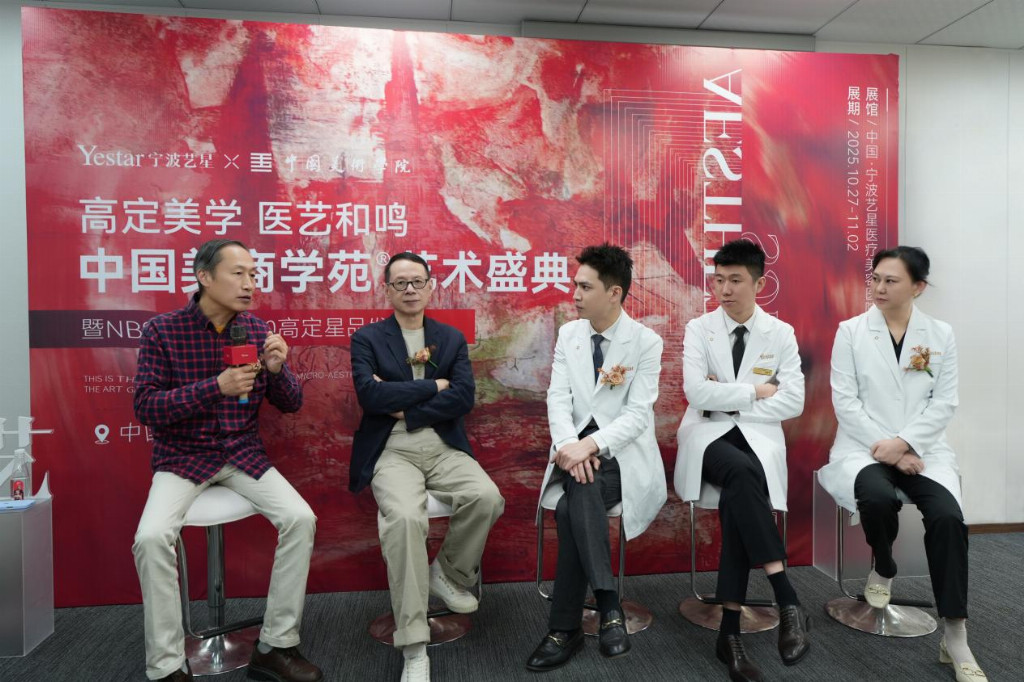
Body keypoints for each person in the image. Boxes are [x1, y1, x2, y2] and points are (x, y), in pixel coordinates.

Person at [132, 239, 322, 682]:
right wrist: (215, 387)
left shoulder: (255, 331)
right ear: (204, 277)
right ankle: (166, 667)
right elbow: (146, 406)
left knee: (301, 519)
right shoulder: (162, 331)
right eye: (238, 274)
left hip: (242, 454)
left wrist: (277, 370)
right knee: (151, 537)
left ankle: (275, 646)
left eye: (253, 275)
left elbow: (291, 403)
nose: (249, 284)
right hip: (182, 457)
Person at [819, 246, 984, 682]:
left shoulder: (940, 334)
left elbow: (944, 401)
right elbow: (845, 401)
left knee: (948, 518)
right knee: (875, 498)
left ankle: (956, 635)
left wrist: (906, 443)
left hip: (922, 449)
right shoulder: (851, 332)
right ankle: (884, 564)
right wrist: (887, 447)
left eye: (890, 281)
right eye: (875, 278)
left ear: (918, 287)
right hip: (864, 446)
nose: (878, 288)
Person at [349, 252, 504, 682]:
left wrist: (405, 404)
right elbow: (369, 397)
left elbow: (463, 397)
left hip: (441, 443)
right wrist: (433, 385)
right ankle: (415, 646)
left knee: (486, 497)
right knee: (403, 520)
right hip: (391, 447)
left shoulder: (450, 338)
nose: (410, 290)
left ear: (431, 285)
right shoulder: (367, 339)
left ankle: (449, 572)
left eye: (417, 281)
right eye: (400, 283)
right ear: (387, 290)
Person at [674, 238, 810, 682]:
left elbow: (793, 402)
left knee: (741, 489)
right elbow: (696, 393)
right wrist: (755, 391)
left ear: (759, 284)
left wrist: (727, 397)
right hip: (707, 434)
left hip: (757, 437)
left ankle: (729, 632)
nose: (725, 289)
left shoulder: (780, 333)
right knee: (739, 470)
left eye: (735, 280)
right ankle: (786, 596)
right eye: (718, 280)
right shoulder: (699, 329)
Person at [526, 243, 666, 673]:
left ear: (614, 292)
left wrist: (591, 446)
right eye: (575, 285)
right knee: (577, 497)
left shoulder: (645, 342)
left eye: (585, 287)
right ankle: (608, 606)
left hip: (621, 456)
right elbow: (557, 399)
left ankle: (563, 629)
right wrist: (571, 446)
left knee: (573, 503)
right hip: (573, 452)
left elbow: (637, 416)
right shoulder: (570, 335)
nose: (575, 295)